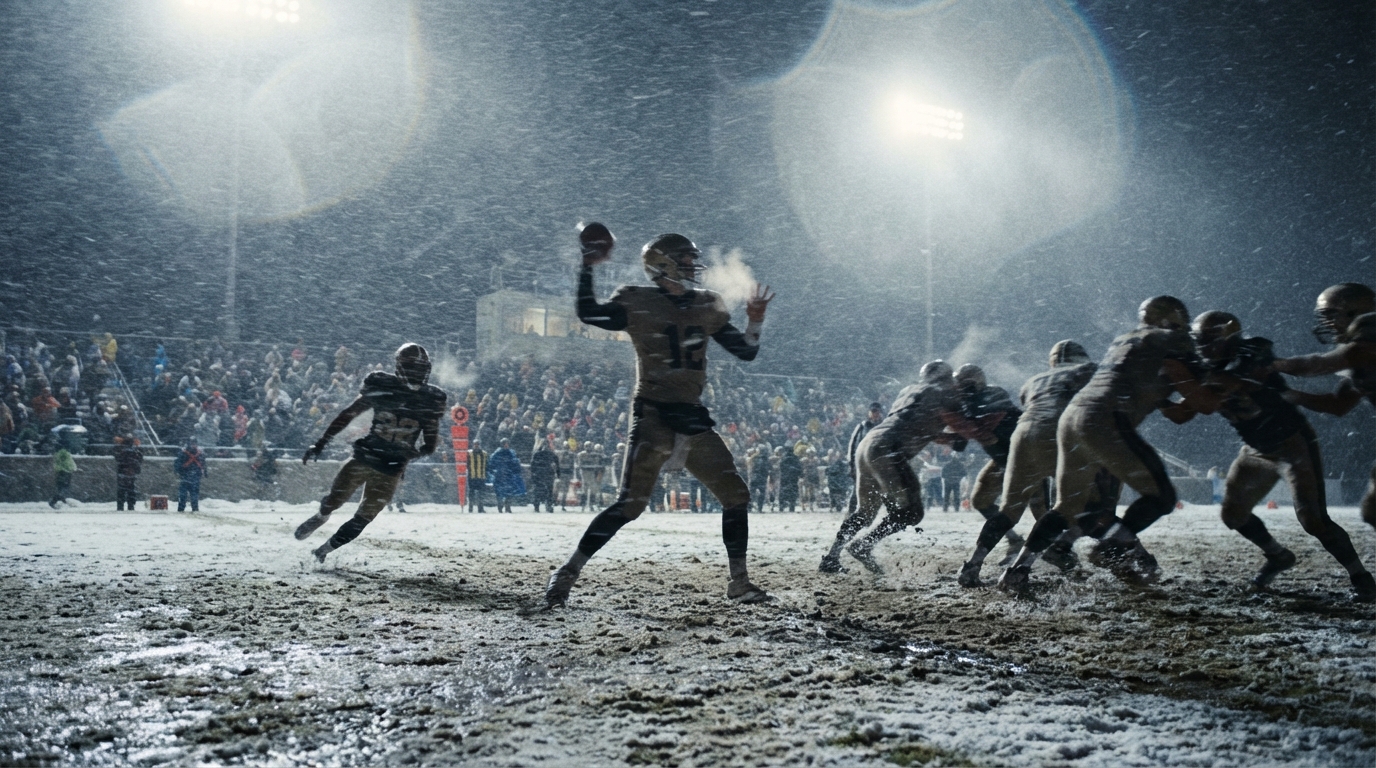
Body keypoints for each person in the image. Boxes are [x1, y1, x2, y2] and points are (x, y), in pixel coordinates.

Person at [529, 225, 776, 611]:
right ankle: (566, 573)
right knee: (630, 505)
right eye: (686, 259)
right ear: (663, 265)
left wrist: (755, 320)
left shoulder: (706, 304)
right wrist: (588, 266)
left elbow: (745, 351)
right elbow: (589, 311)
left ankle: (739, 582)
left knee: (736, 495)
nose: (694, 265)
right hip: (655, 415)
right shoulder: (637, 300)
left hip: (692, 416)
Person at [998, 296, 1222, 591]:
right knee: (1162, 496)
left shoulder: (1129, 340)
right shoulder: (1172, 339)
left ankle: (1016, 572)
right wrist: (1225, 380)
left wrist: (1192, 396)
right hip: (1105, 419)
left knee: (1067, 506)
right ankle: (1112, 549)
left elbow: (1180, 412)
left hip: (1071, 419)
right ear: (1174, 319)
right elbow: (1203, 400)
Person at [1163, 311, 1373, 600]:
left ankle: (1360, 576)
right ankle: (1278, 556)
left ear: (1229, 336)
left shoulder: (1253, 352)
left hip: (1291, 444)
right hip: (1254, 449)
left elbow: (1222, 389)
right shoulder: (1205, 368)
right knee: (1233, 515)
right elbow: (1181, 414)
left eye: (1209, 339)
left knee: (1313, 519)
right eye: (1199, 340)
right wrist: (1157, 396)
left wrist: (1178, 375)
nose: (1203, 347)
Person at [957, 340, 1101, 587]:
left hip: (1019, 444)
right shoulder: (1087, 372)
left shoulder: (1032, 381)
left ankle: (973, 565)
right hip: (1051, 438)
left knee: (1012, 510)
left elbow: (1008, 416)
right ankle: (1043, 556)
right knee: (1072, 506)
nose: (965, 389)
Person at [293, 344, 447, 562]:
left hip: (376, 461)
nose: (417, 373)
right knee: (346, 508)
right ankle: (322, 522)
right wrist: (405, 455)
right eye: (412, 367)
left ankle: (322, 550)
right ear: (400, 367)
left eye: (421, 368)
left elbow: (347, 415)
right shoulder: (396, 391)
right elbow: (428, 446)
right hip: (372, 459)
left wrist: (321, 443)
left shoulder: (428, 399)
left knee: (358, 514)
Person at [818, 361, 965, 575]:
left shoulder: (909, 390)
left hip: (869, 443)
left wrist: (941, 435)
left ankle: (832, 556)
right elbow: (961, 437)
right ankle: (865, 544)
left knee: (865, 512)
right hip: (890, 449)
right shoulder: (944, 394)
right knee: (913, 512)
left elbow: (915, 424)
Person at [1272, 283, 1376, 532]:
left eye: (1331, 315)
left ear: (1355, 313)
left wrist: (1273, 364)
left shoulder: (1367, 342)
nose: (1326, 323)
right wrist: (1286, 394)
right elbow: (1337, 405)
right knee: (1372, 511)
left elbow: (1317, 364)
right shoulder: (1359, 354)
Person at [488, 437, 526, 513]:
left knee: (509, 492)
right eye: (505, 444)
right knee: (499, 492)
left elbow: (515, 463)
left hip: (509, 476)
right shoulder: (497, 453)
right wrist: (495, 471)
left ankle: (507, 506)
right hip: (500, 476)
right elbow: (491, 464)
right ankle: (500, 505)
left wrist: (515, 470)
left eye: (507, 443)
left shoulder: (511, 453)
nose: (506, 445)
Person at [175, 437, 208, 512]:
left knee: (184, 494)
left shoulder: (183, 452)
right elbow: (203, 464)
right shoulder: (200, 453)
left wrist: (178, 471)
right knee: (194, 494)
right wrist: (205, 473)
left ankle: (182, 508)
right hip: (194, 476)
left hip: (185, 476)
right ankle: (194, 508)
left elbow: (178, 463)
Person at [529, 438, 561, 513]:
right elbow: (533, 465)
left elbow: (557, 464)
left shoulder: (547, 454)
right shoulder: (538, 454)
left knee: (546, 491)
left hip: (545, 474)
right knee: (540, 491)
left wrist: (558, 473)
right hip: (541, 474)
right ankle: (538, 505)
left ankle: (547, 505)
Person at [114, 435, 143, 511]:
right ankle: (131, 505)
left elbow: (117, 458)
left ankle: (120, 505)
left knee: (121, 491)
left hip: (122, 473)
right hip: (131, 473)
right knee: (131, 490)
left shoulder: (121, 450)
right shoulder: (135, 451)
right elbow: (139, 459)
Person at [778, 447, 802, 512]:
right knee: (793, 492)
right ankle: (791, 506)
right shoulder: (795, 458)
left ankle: (781, 506)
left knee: (783, 492)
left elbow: (780, 467)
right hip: (793, 478)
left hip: (785, 478)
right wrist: (800, 474)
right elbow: (799, 467)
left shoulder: (783, 458)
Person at [468, 441, 489, 513]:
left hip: (481, 477)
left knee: (481, 493)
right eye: (475, 444)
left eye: (477, 444)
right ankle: (470, 508)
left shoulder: (484, 454)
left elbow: (487, 465)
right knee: (471, 493)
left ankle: (480, 508)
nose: (476, 446)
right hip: (472, 477)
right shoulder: (469, 453)